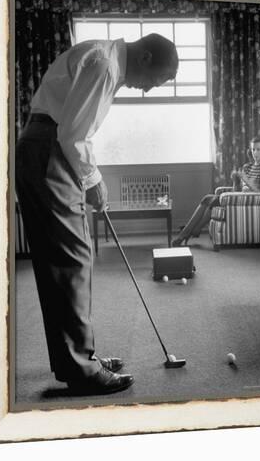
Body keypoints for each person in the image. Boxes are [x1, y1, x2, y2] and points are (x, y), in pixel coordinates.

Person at [16, 34, 178, 395]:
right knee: (71, 261)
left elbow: (73, 129)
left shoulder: (105, 56)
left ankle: (76, 360)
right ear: (146, 57)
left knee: (64, 262)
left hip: (43, 149)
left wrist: (87, 178)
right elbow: (73, 135)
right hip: (49, 151)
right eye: (157, 80)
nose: (150, 90)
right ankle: (81, 370)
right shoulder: (106, 65)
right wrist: (94, 181)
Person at [172, 136, 260, 247]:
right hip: (239, 199)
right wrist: (235, 180)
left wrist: (247, 180)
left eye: (258, 149)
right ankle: (193, 230)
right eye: (253, 149)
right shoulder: (248, 167)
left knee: (215, 200)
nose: (255, 153)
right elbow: (237, 190)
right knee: (207, 198)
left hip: (250, 201)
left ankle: (186, 233)